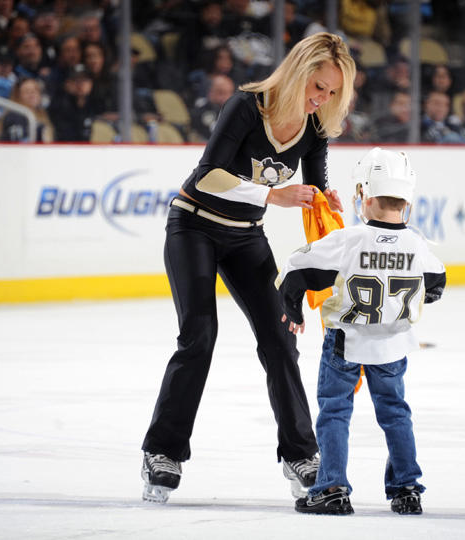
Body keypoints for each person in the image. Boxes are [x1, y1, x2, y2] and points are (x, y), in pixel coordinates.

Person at [141, 31, 356, 504]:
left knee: (280, 339)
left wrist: (324, 197)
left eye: (331, 92)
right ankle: (162, 451)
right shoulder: (246, 105)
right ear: (299, 71)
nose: (320, 98)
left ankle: (300, 453)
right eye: (317, 86)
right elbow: (208, 175)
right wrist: (271, 195)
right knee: (198, 337)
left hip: (245, 238)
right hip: (193, 226)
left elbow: (314, 182)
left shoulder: (315, 126)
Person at [275, 147, 446, 515]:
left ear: (364, 198)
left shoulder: (348, 240)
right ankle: (406, 488)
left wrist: (293, 308)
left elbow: (295, 270)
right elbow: (436, 285)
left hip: (345, 342)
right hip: (393, 345)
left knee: (335, 411)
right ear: (408, 203)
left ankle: (332, 488)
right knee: (396, 413)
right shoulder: (418, 245)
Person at [0, 77, 54, 142]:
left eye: (35, 90)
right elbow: (20, 143)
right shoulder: (13, 116)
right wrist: (40, 131)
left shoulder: (43, 115)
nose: (32, 94)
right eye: (27, 92)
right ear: (18, 96)